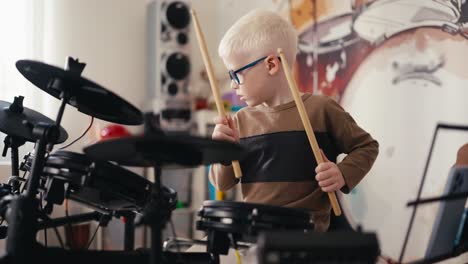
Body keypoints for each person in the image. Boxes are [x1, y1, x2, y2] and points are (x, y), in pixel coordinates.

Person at [209, 9, 379, 232]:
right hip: (256, 238)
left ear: (271, 65)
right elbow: (223, 183)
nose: (232, 84)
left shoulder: (321, 110)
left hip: (310, 240)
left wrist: (342, 173)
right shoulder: (240, 121)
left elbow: (366, 146)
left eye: (235, 74)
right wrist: (221, 152)